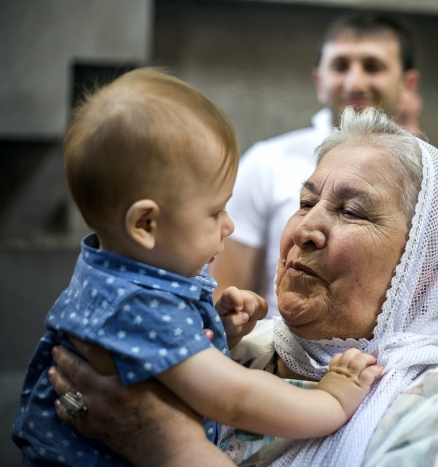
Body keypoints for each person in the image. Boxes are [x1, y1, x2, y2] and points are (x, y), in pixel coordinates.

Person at [48, 107, 438, 467]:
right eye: (306, 202)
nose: (306, 228)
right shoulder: (235, 349)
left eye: (350, 211)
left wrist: (162, 442)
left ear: (424, 267)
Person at [12, 69, 382, 467]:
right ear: (145, 225)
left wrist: (212, 332)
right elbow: (235, 398)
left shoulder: (116, 277)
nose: (230, 225)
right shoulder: (135, 302)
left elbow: (150, 363)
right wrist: (332, 400)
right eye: (215, 211)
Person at [209, 12, 421, 318]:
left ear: (408, 83)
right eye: (340, 66)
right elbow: (226, 297)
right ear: (319, 81)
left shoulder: (428, 179)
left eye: (373, 67)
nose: (355, 82)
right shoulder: (266, 162)